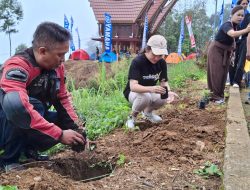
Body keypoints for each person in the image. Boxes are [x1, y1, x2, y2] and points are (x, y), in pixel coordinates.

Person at [0, 22, 86, 172]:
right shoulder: (18, 66)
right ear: (42, 51)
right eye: (60, 55)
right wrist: (59, 135)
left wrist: (76, 130)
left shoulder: (57, 68)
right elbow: (17, 107)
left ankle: (28, 151)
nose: (63, 60)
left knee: (62, 120)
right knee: (27, 106)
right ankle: (9, 159)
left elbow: (62, 98)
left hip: (30, 117)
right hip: (6, 120)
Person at [123, 35, 178, 128]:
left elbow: (163, 82)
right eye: (154, 54)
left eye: (160, 55)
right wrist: (151, 89)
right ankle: (132, 117)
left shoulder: (162, 63)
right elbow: (133, 86)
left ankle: (148, 113)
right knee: (145, 96)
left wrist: (169, 92)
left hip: (149, 92)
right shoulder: (138, 62)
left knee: (163, 95)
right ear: (147, 49)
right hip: (133, 92)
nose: (156, 58)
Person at [207, 5, 250, 104]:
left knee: (223, 74)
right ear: (231, 15)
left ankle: (219, 96)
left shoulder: (236, 26)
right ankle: (215, 97)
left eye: (242, 16)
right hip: (216, 51)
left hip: (225, 52)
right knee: (216, 74)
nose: (240, 17)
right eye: (238, 15)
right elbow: (232, 34)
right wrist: (246, 30)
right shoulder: (227, 25)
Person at [229, 0, 250, 88]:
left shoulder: (249, 16)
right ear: (239, 5)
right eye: (243, 4)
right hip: (234, 39)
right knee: (232, 60)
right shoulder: (235, 16)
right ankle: (231, 80)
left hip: (244, 40)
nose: (245, 5)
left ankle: (236, 81)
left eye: (246, 4)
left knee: (241, 61)